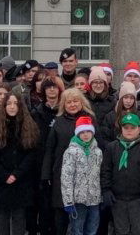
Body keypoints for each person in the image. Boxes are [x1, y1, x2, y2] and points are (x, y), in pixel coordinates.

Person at [42, 88, 96, 235]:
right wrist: (46, 174)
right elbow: (49, 149)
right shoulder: (58, 122)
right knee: (60, 216)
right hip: (62, 174)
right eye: (68, 102)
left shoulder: (90, 119)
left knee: (82, 219)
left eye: (75, 101)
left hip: (85, 177)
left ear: (82, 102)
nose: (72, 105)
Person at [0, 92, 40, 235]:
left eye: (15, 103)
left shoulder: (29, 126)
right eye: (8, 103)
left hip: (21, 180)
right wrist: (4, 175)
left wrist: (17, 174)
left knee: (19, 218)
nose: (12, 107)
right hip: (1, 180)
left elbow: (31, 154)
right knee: (2, 217)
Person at [101, 112, 140, 235]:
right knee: (120, 229)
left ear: (139, 129)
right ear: (121, 129)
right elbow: (105, 170)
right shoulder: (112, 148)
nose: (129, 131)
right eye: (126, 127)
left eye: (132, 128)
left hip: (138, 199)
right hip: (117, 199)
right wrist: (106, 190)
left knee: (138, 229)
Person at [31, 76, 64, 235]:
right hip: (40, 164)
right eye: (48, 87)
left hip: (60, 165)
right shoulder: (36, 112)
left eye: (54, 87)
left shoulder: (65, 111)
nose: (51, 90)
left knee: (58, 208)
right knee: (43, 206)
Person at [61, 116, 103, 235]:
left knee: (92, 228)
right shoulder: (71, 151)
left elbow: (100, 174)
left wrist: (102, 195)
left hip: (94, 198)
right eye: (82, 132)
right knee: (77, 229)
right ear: (77, 133)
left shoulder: (98, 151)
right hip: (78, 199)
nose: (85, 135)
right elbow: (66, 177)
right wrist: (68, 200)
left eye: (88, 131)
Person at [99, 81, 140, 146]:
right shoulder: (111, 116)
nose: (128, 101)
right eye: (126, 97)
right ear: (120, 98)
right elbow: (105, 138)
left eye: (131, 98)